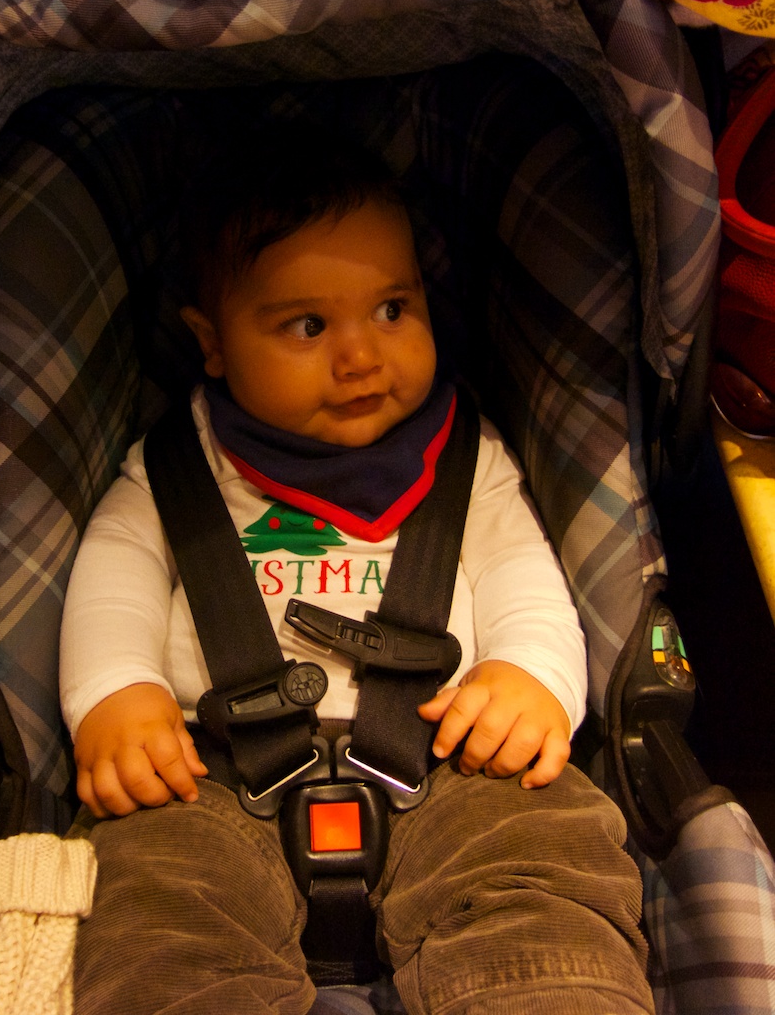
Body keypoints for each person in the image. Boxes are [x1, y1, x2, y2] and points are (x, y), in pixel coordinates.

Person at [60, 124, 654, 1015]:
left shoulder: (467, 459)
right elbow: (114, 578)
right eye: (308, 326)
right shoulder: (176, 467)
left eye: (392, 311)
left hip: (452, 760)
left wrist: (529, 676)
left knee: (542, 859)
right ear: (211, 342)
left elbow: (523, 574)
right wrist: (116, 692)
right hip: (207, 772)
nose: (362, 358)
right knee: (150, 902)